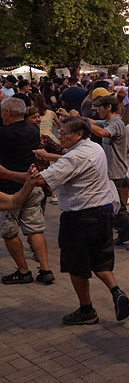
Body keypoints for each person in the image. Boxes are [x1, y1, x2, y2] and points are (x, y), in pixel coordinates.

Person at [32, 117, 129, 324]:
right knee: (101, 260)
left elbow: (42, 180)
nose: (60, 135)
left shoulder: (75, 156)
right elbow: (68, 163)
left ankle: (87, 310)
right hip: (103, 211)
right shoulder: (94, 148)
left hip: (80, 216)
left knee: (77, 265)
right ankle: (117, 291)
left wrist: (6, 174)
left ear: (78, 135)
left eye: (64, 132)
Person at [0, 97, 53, 285]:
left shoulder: (4, 134)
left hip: (8, 190)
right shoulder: (32, 130)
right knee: (35, 229)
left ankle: (23, 271)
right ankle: (46, 269)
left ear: (7, 113)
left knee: (9, 232)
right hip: (31, 185)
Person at [88, 95, 129, 251]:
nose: (97, 111)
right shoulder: (110, 121)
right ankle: (124, 233)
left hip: (116, 173)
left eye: (99, 107)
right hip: (115, 172)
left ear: (108, 107)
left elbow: (102, 133)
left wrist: (83, 123)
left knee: (115, 209)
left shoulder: (116, 123)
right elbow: (94, 122)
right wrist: (72, 117)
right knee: (115, 208)